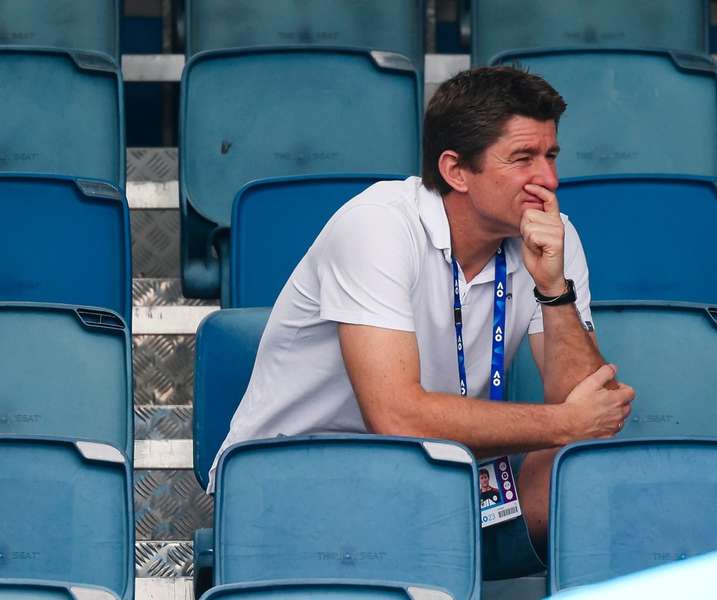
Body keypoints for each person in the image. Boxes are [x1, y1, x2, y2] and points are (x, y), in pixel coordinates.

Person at [209, 65, 636, 578]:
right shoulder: (378, 225)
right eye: (523, 158)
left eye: (550, 156)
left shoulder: (552, 236)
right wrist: (565, 422)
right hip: (298, 485)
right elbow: (395, 417)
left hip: (431, 486)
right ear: (456, 170)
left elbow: (586, 409)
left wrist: (553, 289)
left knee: (579, 465)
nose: (548, 180)